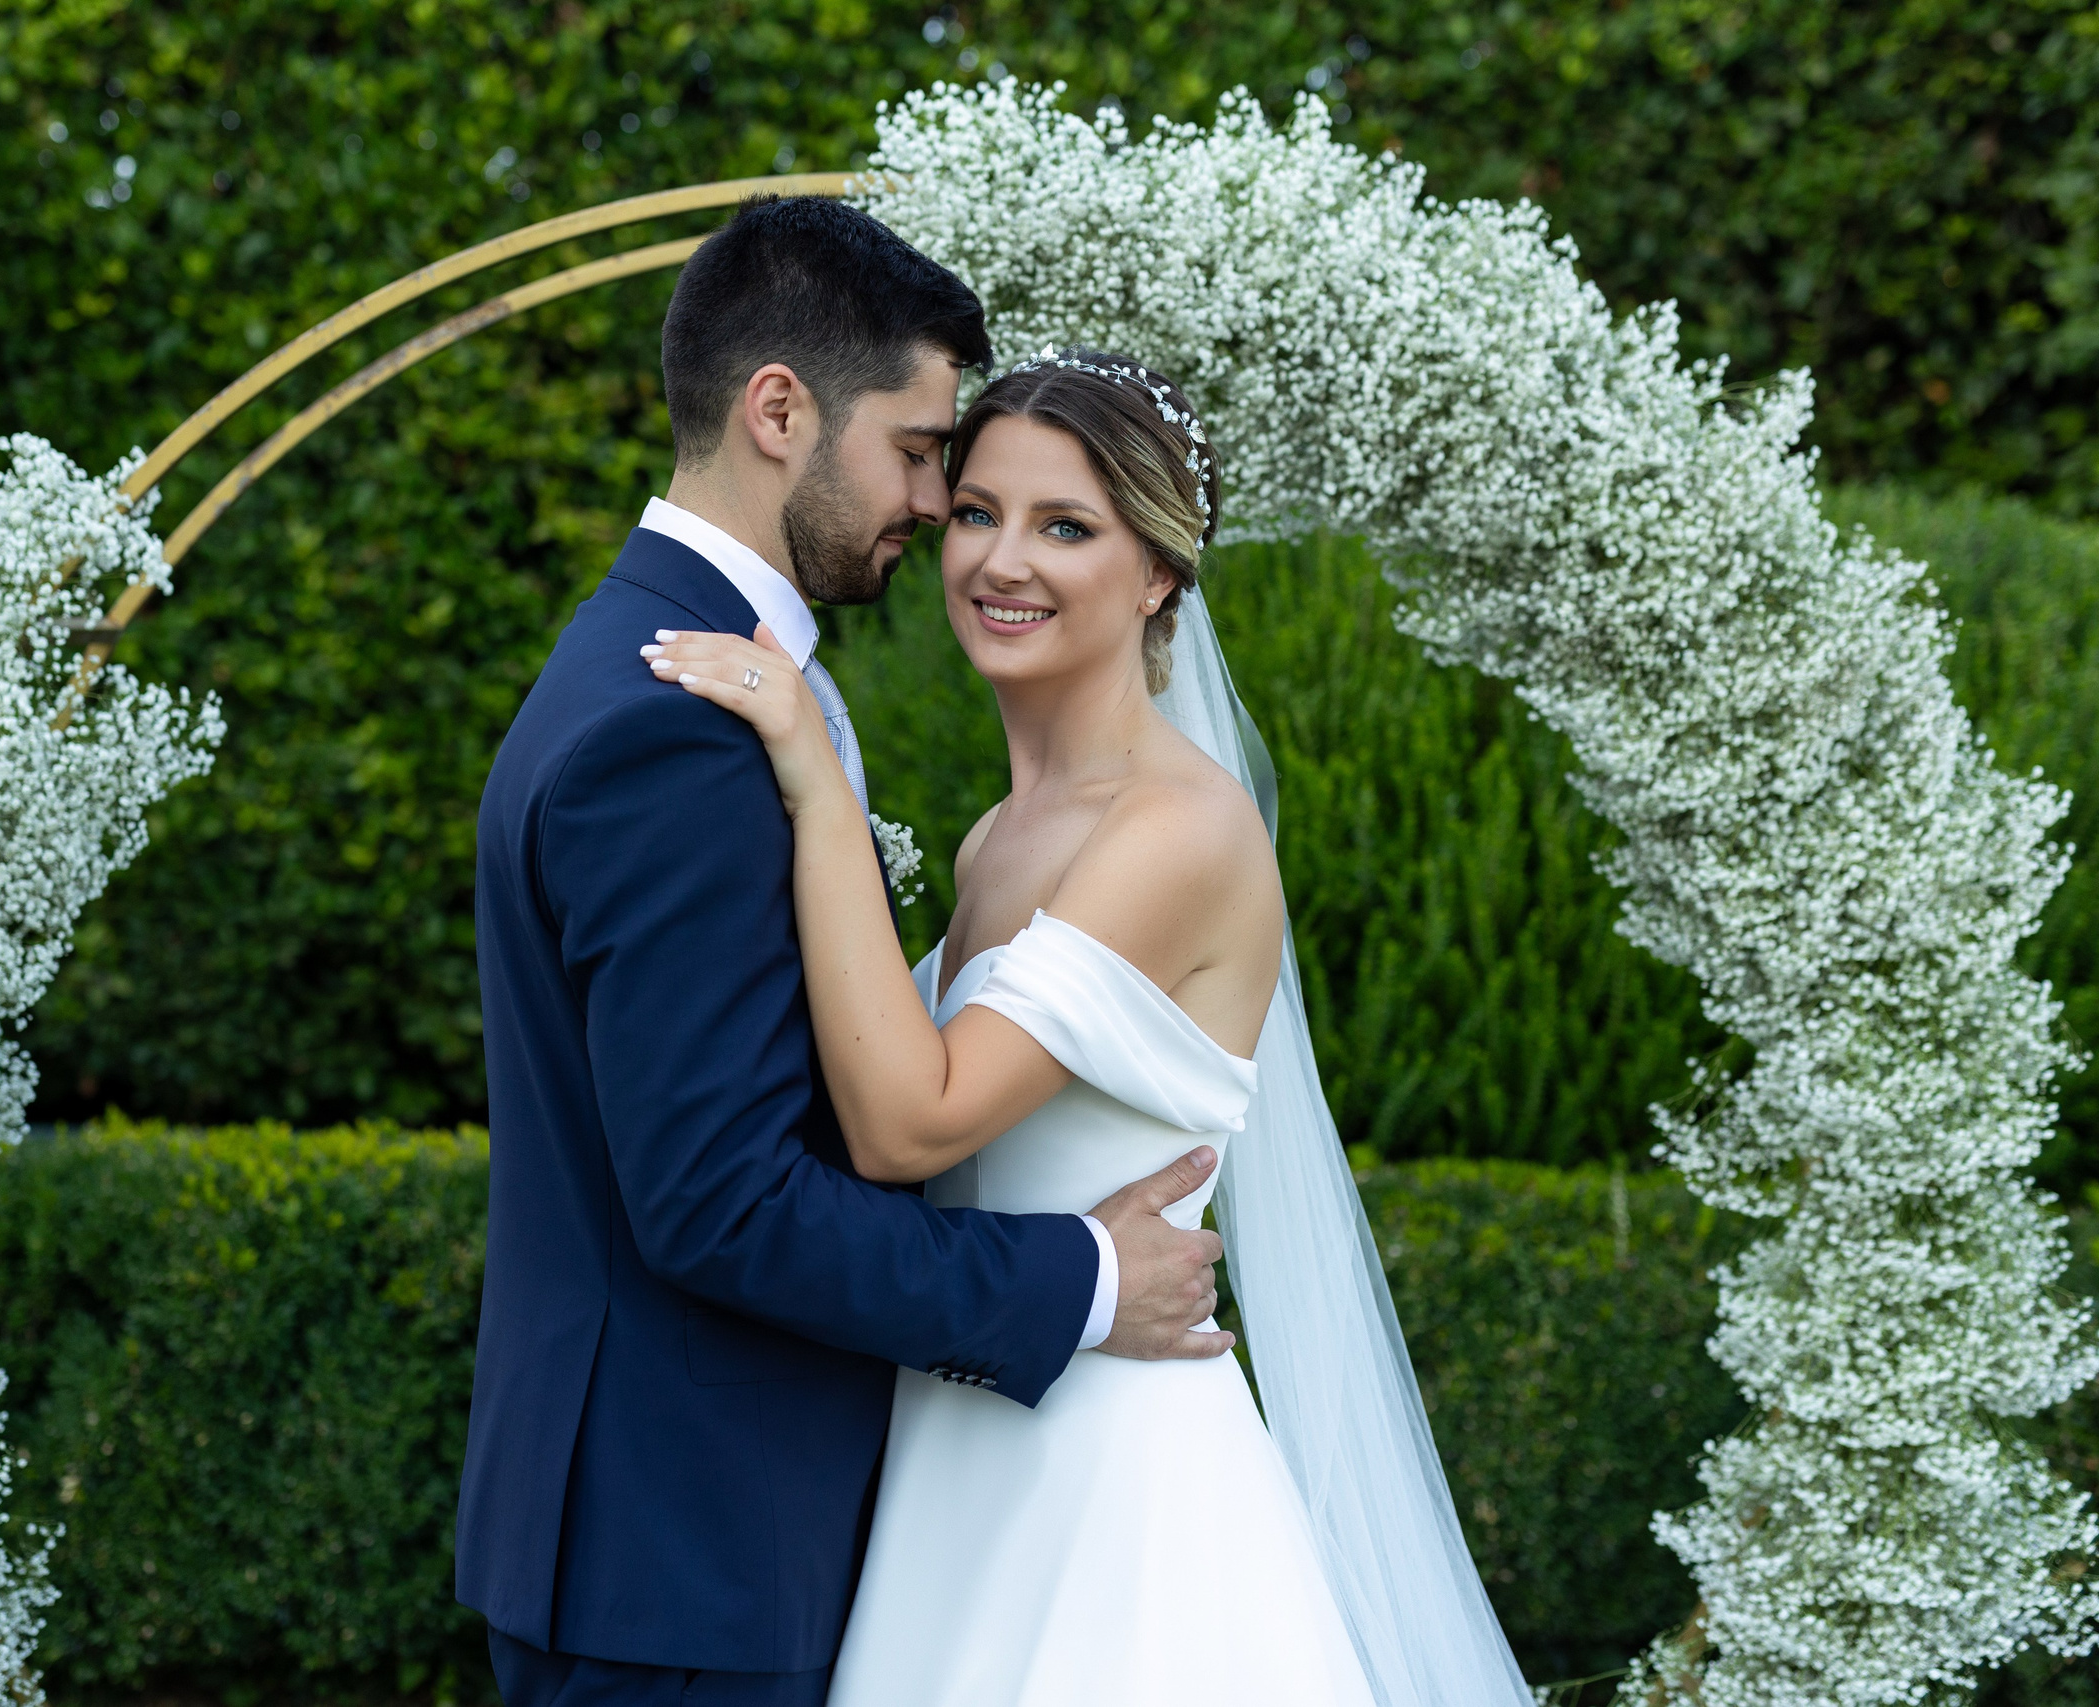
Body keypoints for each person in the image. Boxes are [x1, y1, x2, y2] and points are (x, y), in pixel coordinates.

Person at [646, 352, 1538, 1705]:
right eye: (978, 513)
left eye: (1068, 527)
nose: (1004, 561)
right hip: (965, 1453)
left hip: (1118, 1481)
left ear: (1160, 573)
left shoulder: (1176, 831)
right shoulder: (1001, 834)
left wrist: (817, 793)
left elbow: (912, 1122)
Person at [460, 198, 1240, 1707]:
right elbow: (718, 1205)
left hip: (712, 1542)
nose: (935, 503)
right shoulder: (675, 730)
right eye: (918, 450)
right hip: (688, 1564)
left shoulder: (685, 670)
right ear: (777, 412)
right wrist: (1084, 1280)